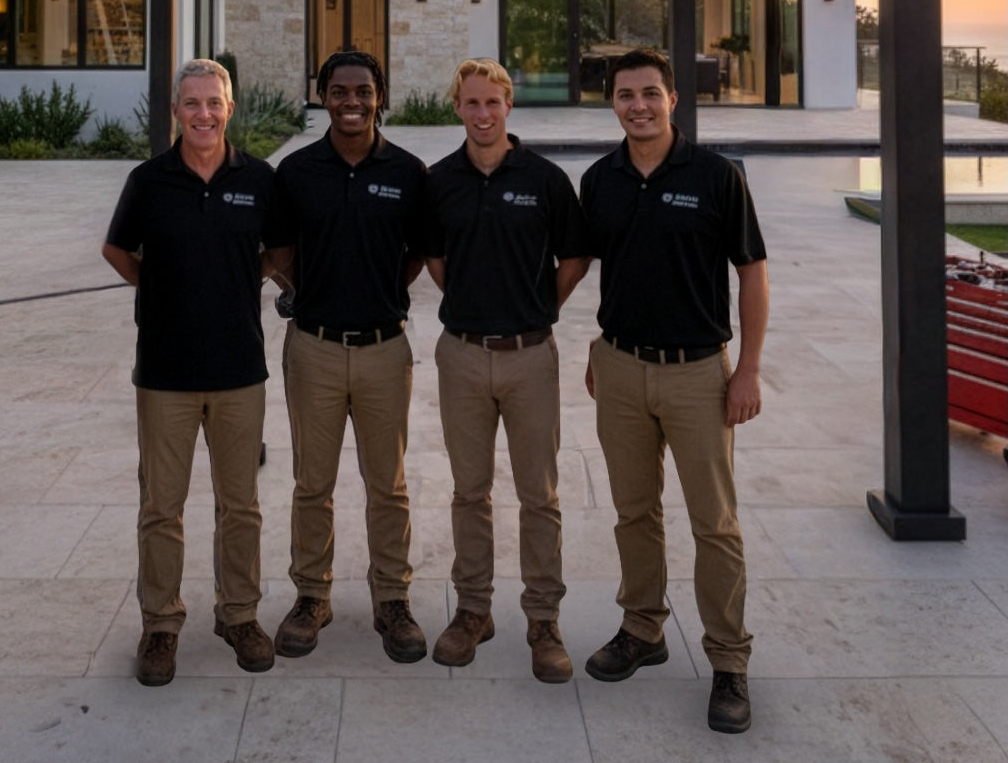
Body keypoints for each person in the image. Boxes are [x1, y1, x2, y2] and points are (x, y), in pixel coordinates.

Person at [579, 47, 768, 734]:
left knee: (713, 523)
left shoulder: (716, 176)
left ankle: (727, 659)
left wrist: (745, 370)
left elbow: (751, 273)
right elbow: (583, 265)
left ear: (672, 99)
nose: (638, 105)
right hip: (620, 369)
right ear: (611, 104)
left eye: (649, 93)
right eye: (625, 95)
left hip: (696, 372)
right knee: (633, 512)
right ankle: (642, 629)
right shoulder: (599, 179)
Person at [102, 58, 278, 686]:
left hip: (239, 367)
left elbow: (277, 251)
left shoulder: (259, 179)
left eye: (214, 102)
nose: (204, 113)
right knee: (161, 506)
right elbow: (116, 248)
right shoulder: (149, 181)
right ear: (176, 111)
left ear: (230, 109)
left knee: (241, 505)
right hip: (165, 372)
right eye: (192, 103)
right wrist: (161, 288)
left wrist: (238, 281)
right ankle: (161, 624)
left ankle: (239, 615)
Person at [422, 57, 591, 684]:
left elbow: (574, 255)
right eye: (471, 103)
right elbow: (434, 257)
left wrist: (541, 305)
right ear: (457, 107)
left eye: (492, 103)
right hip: (461, 355)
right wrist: (469, 303)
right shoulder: (439, 180)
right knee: (470, 491)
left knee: (538, 494)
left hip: (531, 357)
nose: (483, 114)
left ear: (508, 106)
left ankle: (543, 619)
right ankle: (472, 611)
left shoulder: (544, 179)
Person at [264, 50, 429, 664]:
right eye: (338, 91)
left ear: (379, 96)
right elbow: (277, 249)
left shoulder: (409, 172)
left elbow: (418, 252)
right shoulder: (297, 171)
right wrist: (299, 291)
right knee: (313, 483)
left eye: (362, 91)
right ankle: (312, 595)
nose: (351, 101)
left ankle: (393, 599)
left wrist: (384, 288)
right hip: (313, 349)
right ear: (323, 96)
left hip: (386, 349)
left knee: (388, 484)